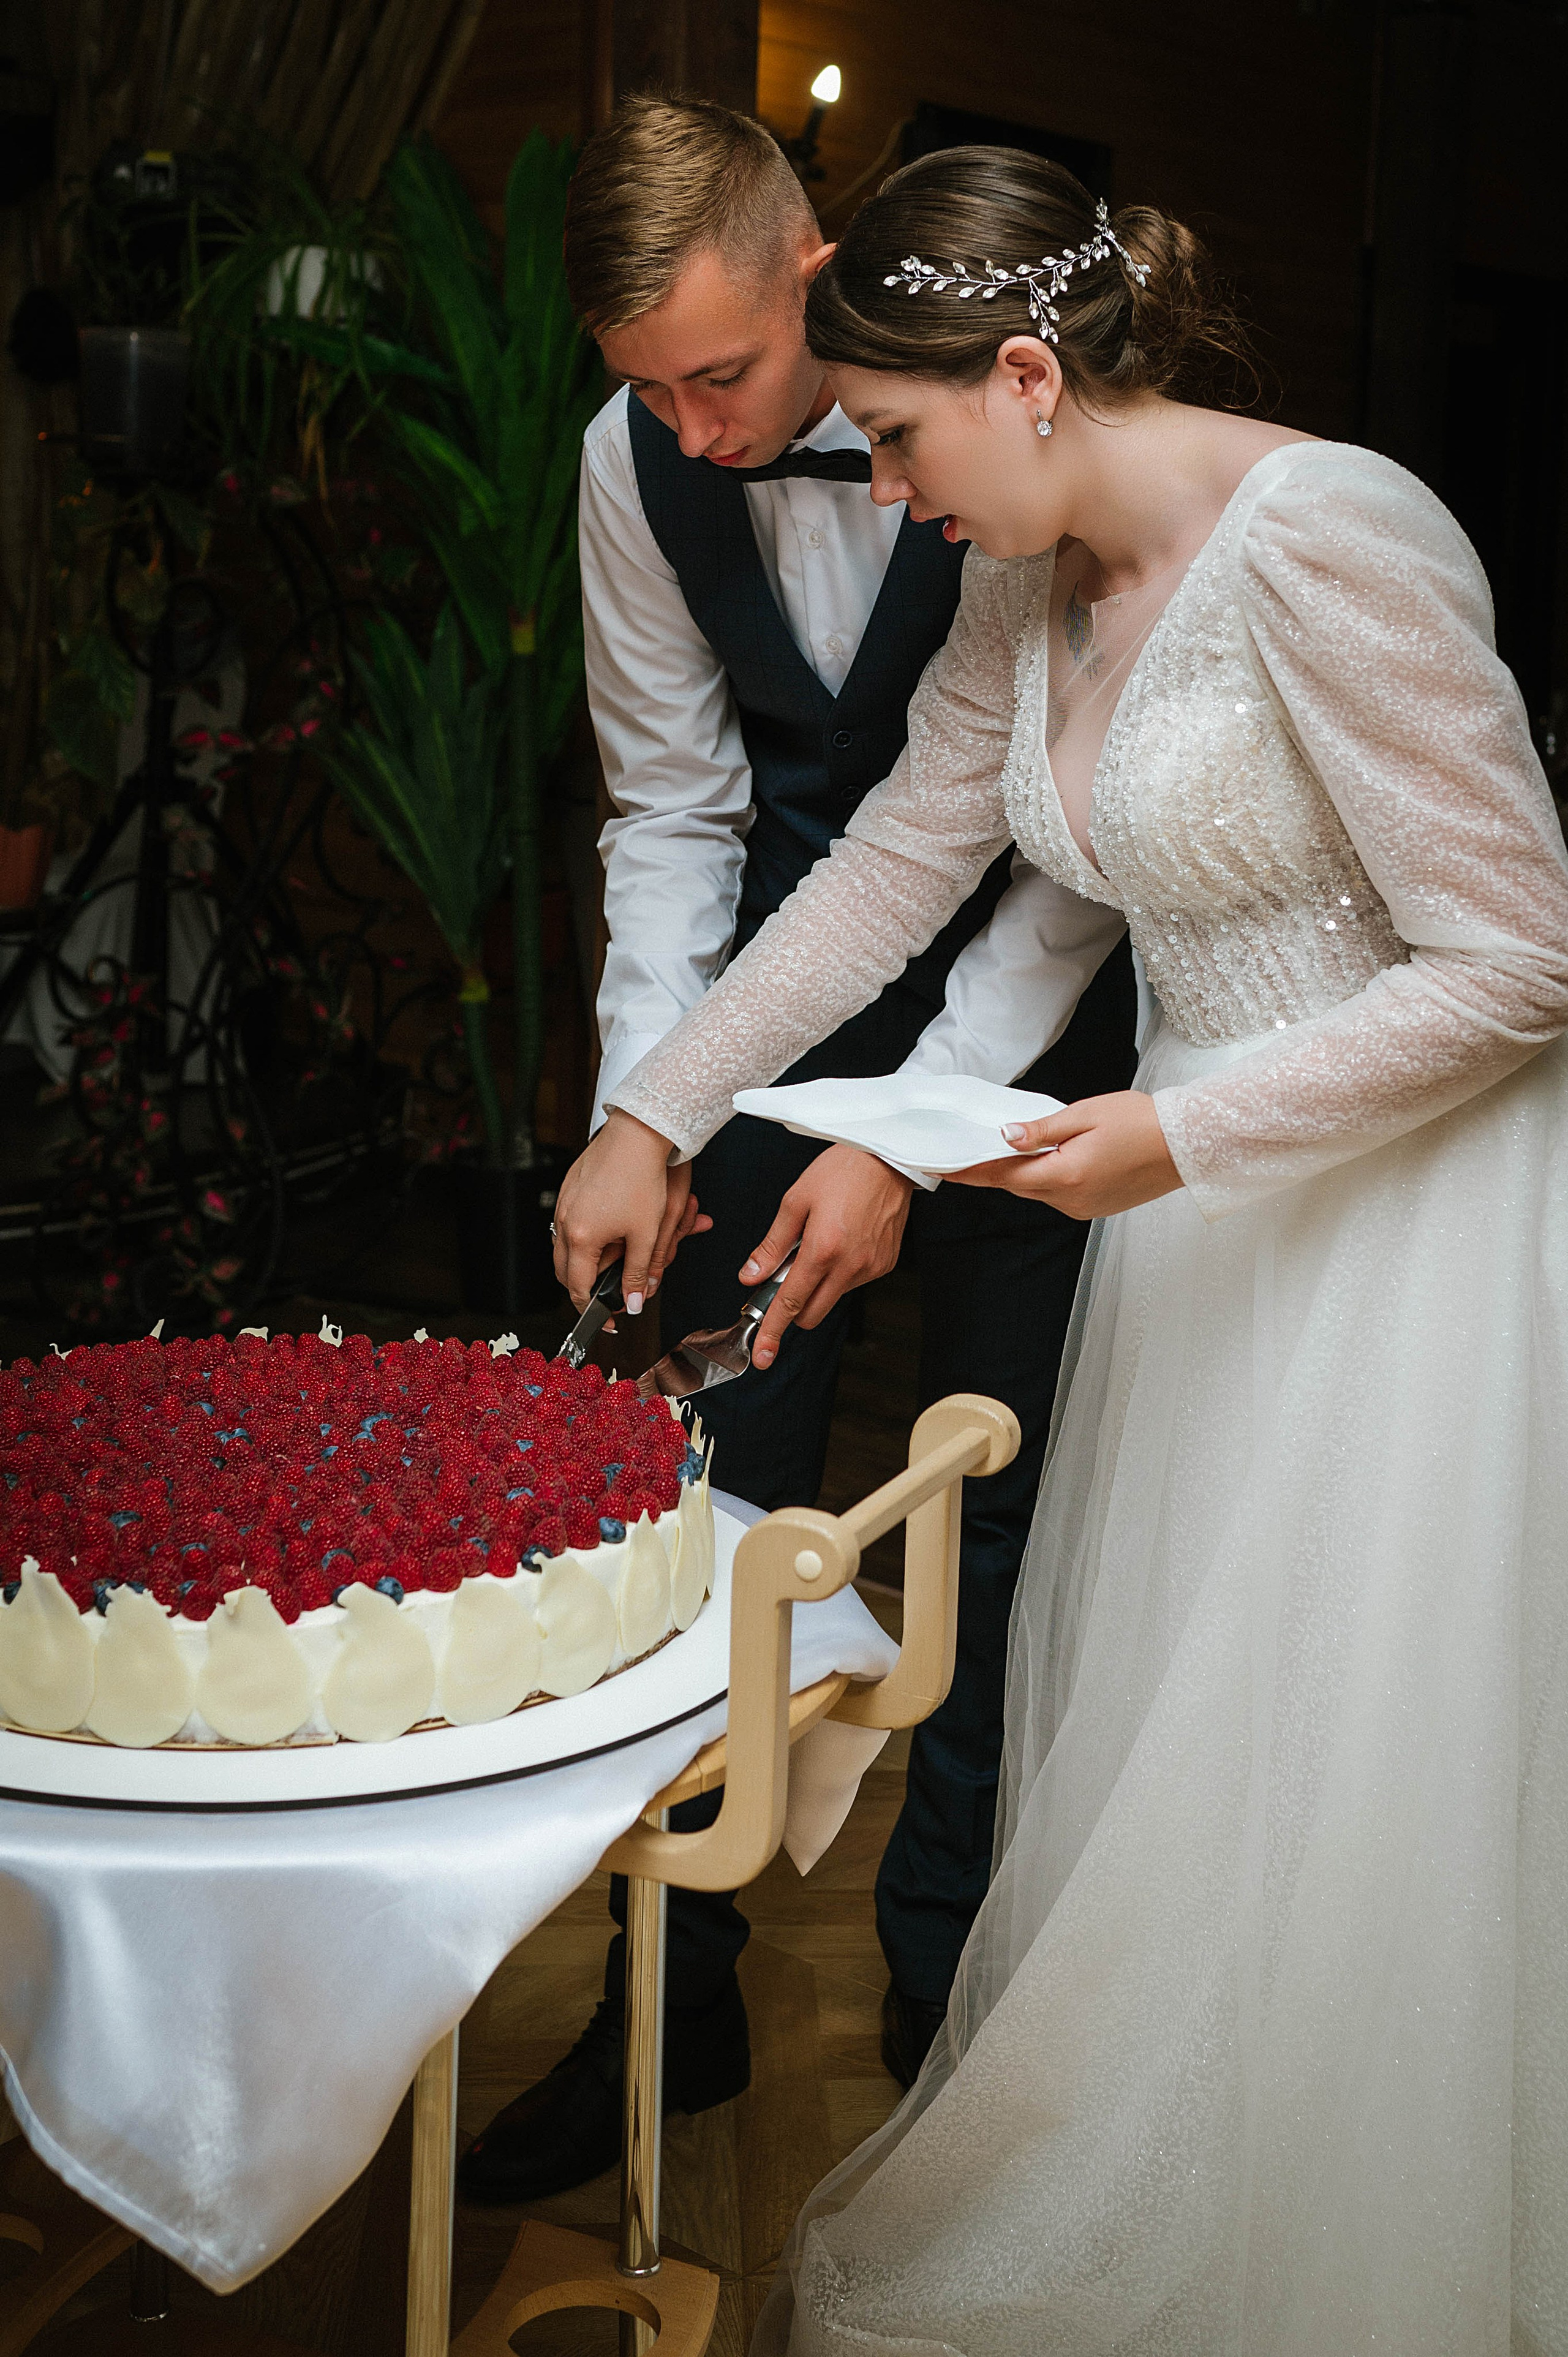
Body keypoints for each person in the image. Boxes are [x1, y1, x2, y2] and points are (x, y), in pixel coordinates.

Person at [555, 144, 1568, 2355]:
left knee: (1353, 1740)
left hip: (1395, 1230)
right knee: (1192, 1744)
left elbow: (1522, 958)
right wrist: (657, 1112)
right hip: (1195, 1216)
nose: (888, 487)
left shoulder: (1341, 534)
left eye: (901, 437)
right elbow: (891, 871)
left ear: (1024, 377)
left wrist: (1184, 1137)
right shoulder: (1031, 572)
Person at [458, 102, 1136, 2208]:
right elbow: (671, 809)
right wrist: (638, 1119)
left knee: (990, 1500)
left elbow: (1079, 844)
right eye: (648, 382)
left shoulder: (1003, 433)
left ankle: (943, 2006)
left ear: (815, 262)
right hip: (771, 995)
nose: (694, 422)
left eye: (727, 374)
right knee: (706, 1491)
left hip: (1048, 1005)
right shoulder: (624, 459)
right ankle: (675, 2002)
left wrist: (924, 1141)